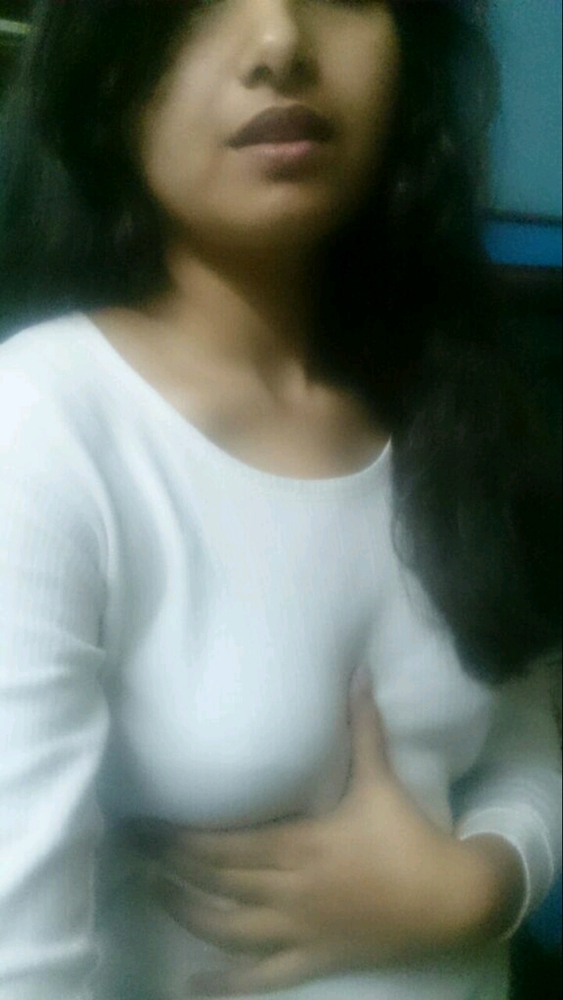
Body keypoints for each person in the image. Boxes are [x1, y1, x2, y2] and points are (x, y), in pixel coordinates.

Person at [0, 0, 561, 998]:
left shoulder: (458, 402)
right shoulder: (45, 430)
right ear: (105, 71)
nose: (278, 44)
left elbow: (525, 743)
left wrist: (477, 890)